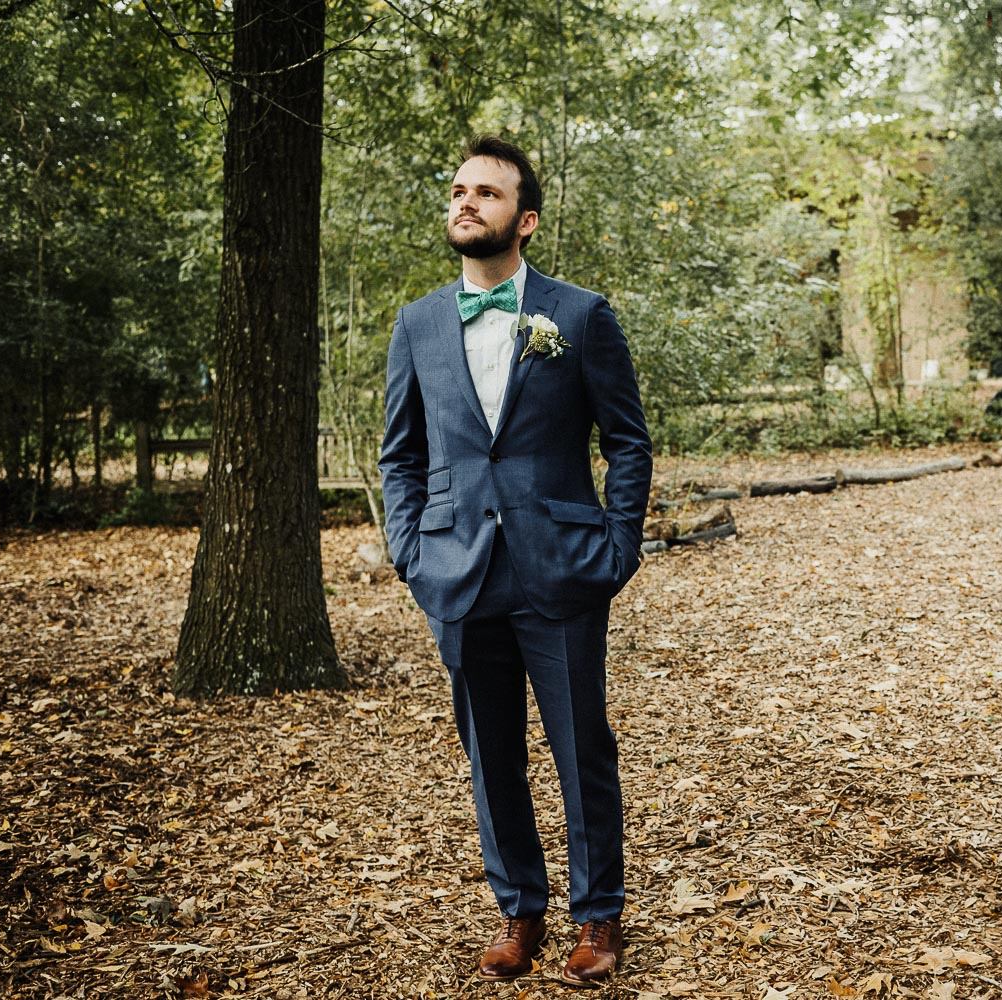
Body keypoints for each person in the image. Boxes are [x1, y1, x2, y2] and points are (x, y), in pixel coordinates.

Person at [378, 134, 652, 985]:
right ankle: (519, 910)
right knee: (490, 752)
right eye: (458, 190)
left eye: (487, 194)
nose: (466, 202)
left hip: (563, 566)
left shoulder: (578, 315)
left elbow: (629, 442)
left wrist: (617, 545)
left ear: (524, 220)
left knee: (581, 748)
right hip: (456, 571)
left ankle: (598, 920)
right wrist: (410, 551)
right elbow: (402, 455)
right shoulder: (418, 321)